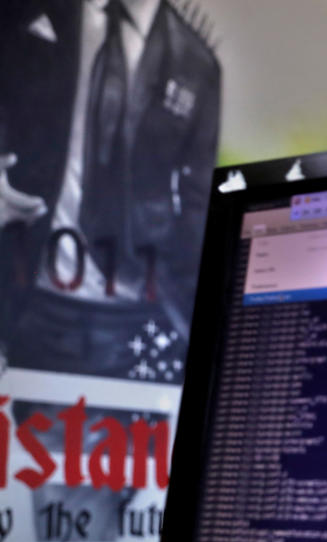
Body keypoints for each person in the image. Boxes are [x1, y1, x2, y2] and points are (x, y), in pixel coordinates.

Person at [0, 0, 220, 380]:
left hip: (131, 313)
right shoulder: (27, 15)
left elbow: (197, 205)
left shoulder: (195, 65)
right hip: (25, 292)